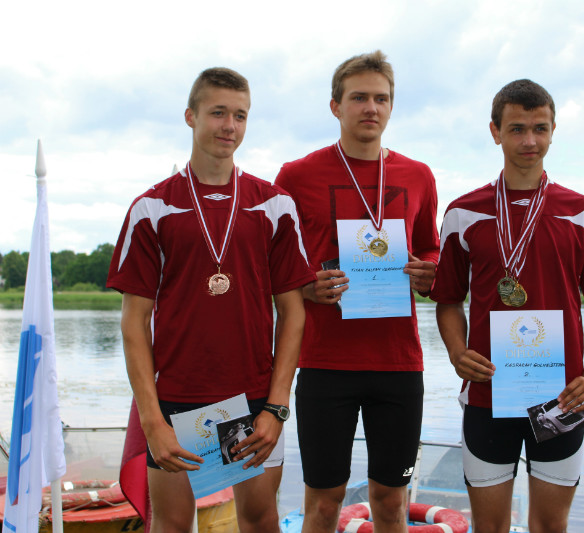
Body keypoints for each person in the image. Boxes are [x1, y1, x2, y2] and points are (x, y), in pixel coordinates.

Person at [107, 67, 315, 533]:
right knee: (173, 524)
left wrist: (276, 407)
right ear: (191, 116)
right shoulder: (152, 208)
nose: (230, 126)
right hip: (176, 398)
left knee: (259, 520)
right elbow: (134, 322)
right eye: (218, 113)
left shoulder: (274, 205)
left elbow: (293, 314)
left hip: (252, 398)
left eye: (240, 115)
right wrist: (152, 419)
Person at [430, 79, 584, 533]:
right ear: (495, 132)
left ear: (554, 131)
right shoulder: (463, 213)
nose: (530, 141)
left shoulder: (582, 213)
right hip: (488, 393)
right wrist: (456, 352)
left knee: (550, 526)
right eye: (517, 129)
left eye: (540, 128)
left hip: (560, 398)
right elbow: (448, 301)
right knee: (489, 527)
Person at [274, 50, 440, 532]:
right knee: (324, 504)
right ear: (336, 106)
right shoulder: (296, 176)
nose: (371, 108)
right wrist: (306, 286)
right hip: (325, 363)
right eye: (359, 98)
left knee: (390, 501)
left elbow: (430, 248)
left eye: (381, 99)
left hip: (398, 363)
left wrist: (430, 272)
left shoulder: (418, 175)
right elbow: (275, 263)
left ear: (391, 106)